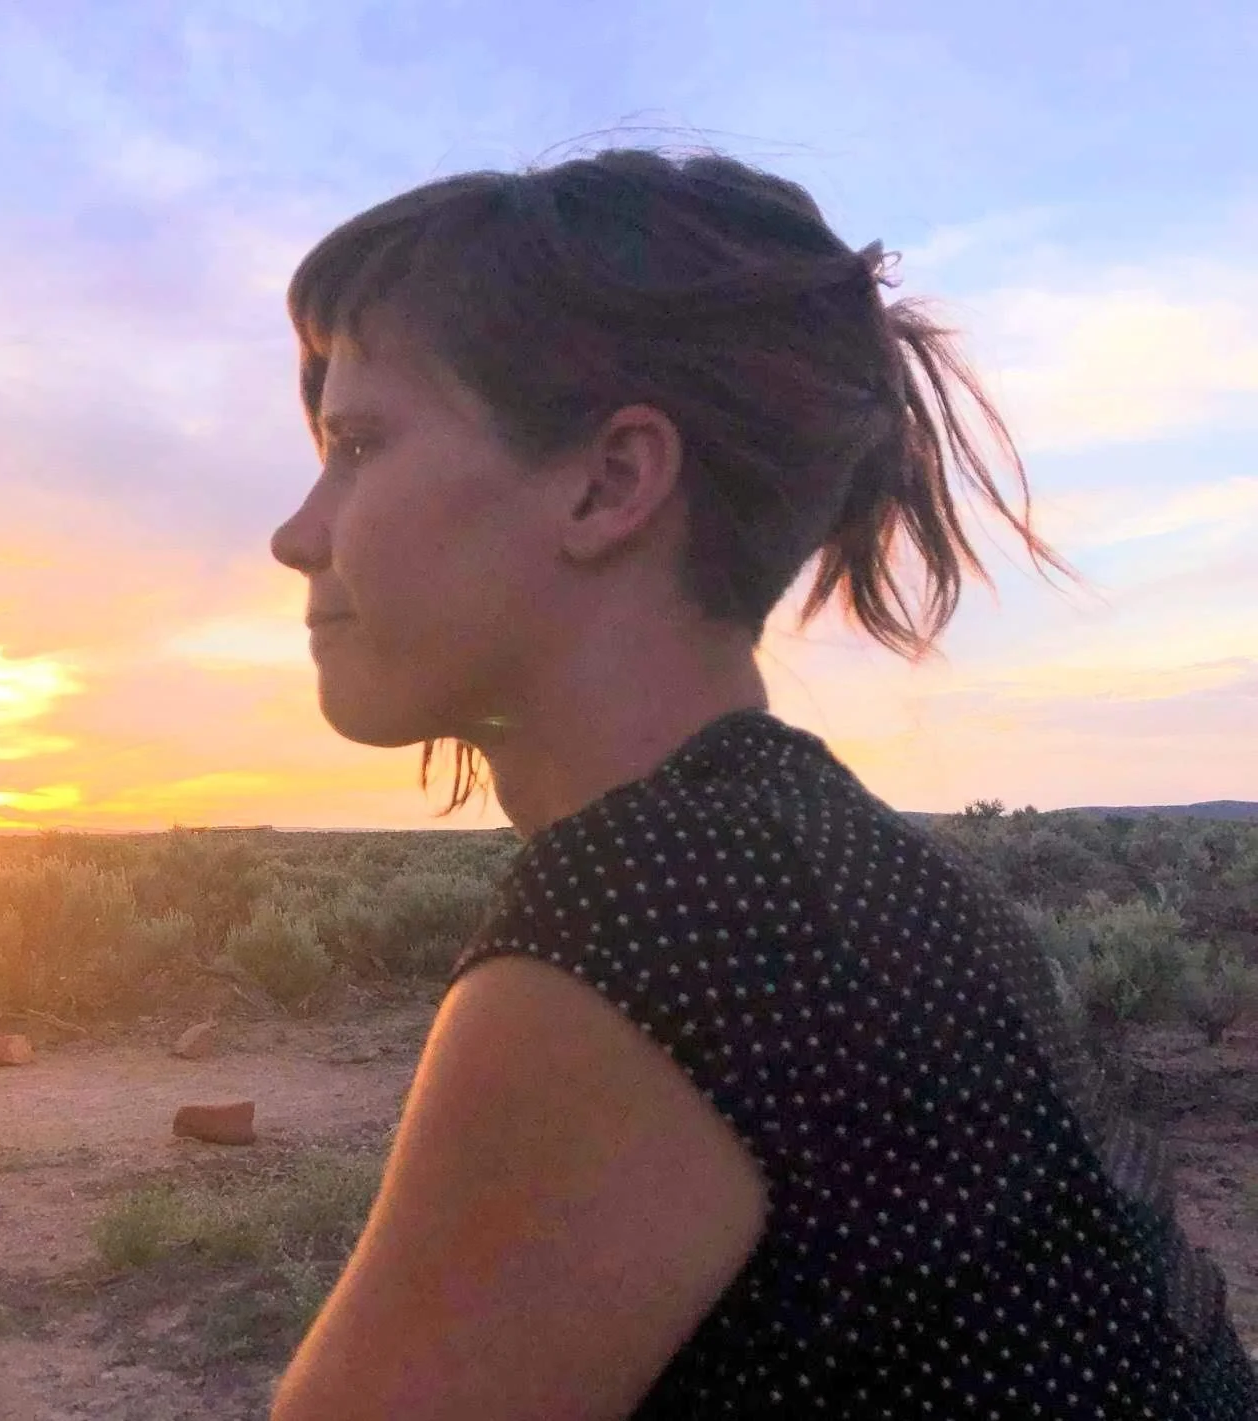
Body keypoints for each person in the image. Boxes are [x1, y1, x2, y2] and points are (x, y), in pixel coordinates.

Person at [265, 146, 1258, 1419]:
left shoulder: (657, 923)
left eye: (357, 443)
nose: (297, 532)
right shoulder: (831, 869)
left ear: (609, 480)